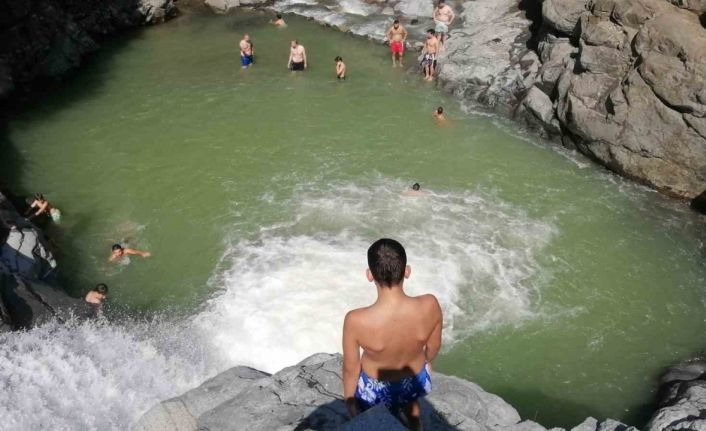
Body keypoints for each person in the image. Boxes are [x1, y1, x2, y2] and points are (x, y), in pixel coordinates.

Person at [342, 239, 443, 430]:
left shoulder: (356, 320)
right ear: (407, 271)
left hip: (376, 389)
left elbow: (350, 369)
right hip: (416, 379)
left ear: (369, 275)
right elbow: (433, 347)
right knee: (411, 402)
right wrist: (425, 364)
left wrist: (349, 402)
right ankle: (414, 424)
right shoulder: (430, 304)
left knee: (376, 421)